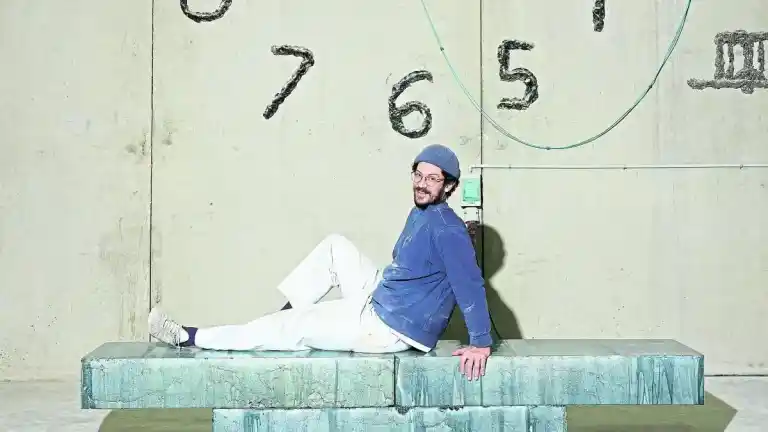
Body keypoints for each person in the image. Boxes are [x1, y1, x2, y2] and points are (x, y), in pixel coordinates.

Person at [148, 144, 493, 380]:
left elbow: (470, 285)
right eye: (418, 175)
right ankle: (282, 320)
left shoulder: (447, 230)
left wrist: (480, 343)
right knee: (335, 246)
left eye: (433, 179)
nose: (421, 185)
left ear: (449, 186)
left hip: (389, 327)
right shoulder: (425, 213)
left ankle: (189, 336)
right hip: (387, 298)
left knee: (295, 327)